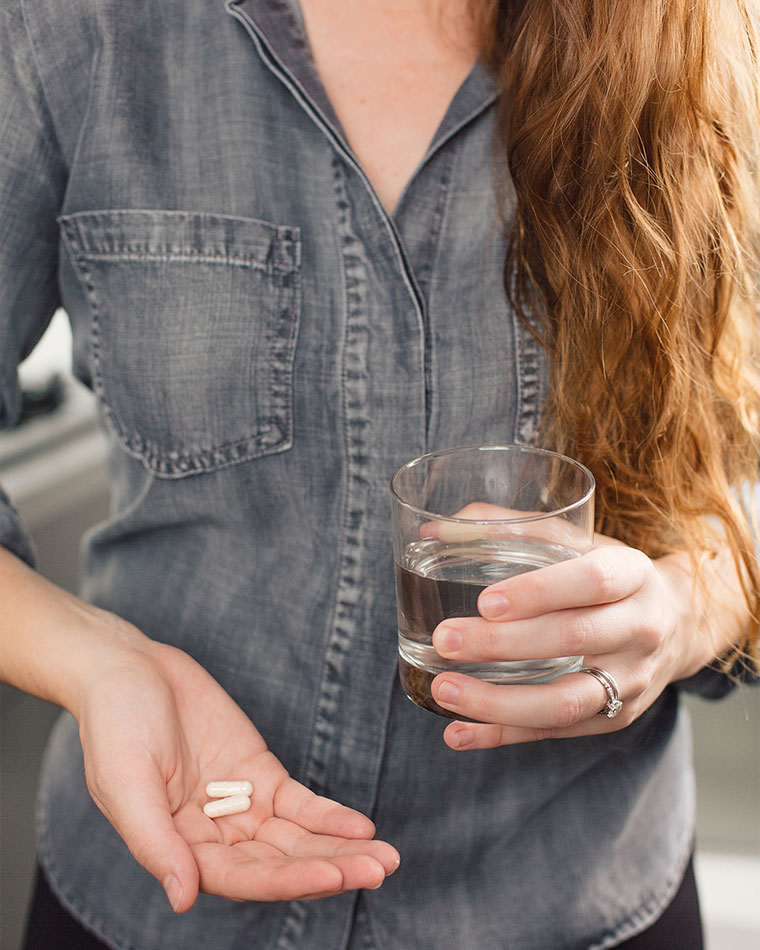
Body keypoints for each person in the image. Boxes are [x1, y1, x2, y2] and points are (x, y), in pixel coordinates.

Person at [1, 0, 758, 947]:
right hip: (153, 897)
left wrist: (685, 611)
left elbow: (738, 492)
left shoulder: (693, 38)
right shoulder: (72, 28)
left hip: (571, 899)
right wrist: (96, 661)